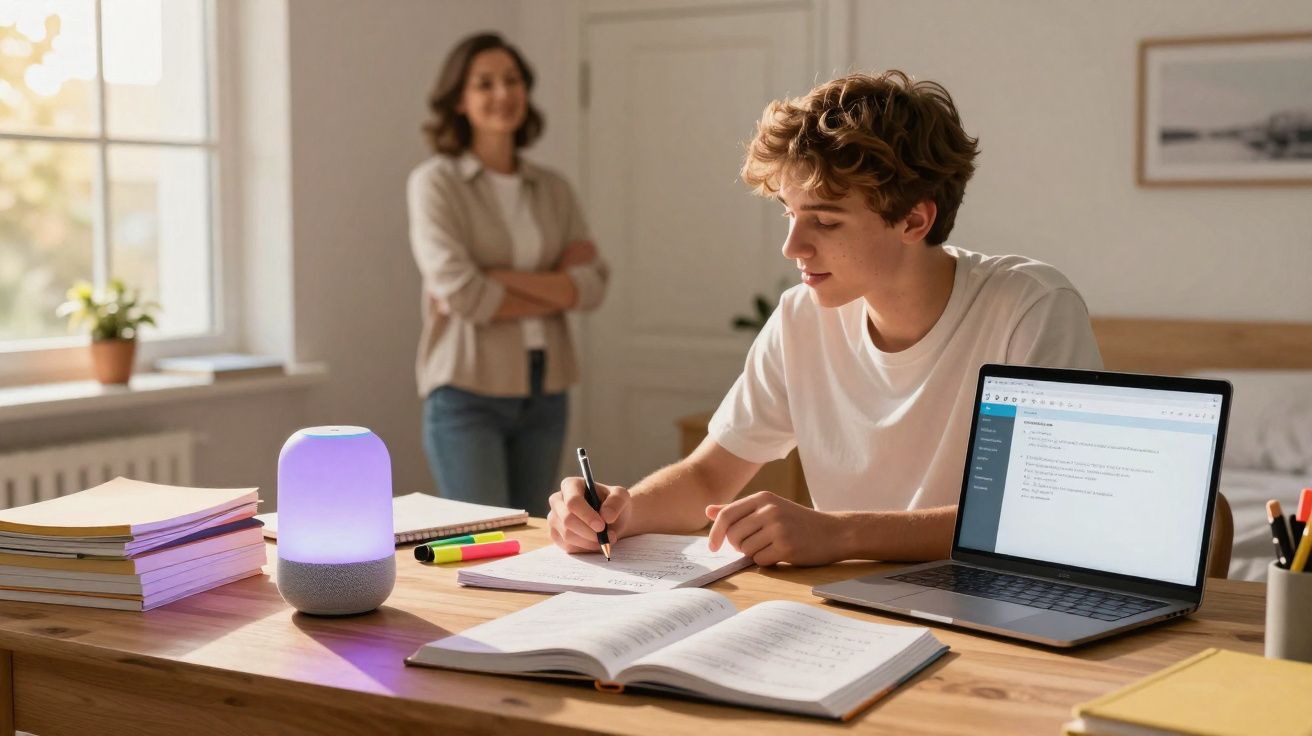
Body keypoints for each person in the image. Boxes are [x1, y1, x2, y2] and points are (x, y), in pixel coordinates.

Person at [547, 71, 1101, 565]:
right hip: (850, 602)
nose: (792, 246)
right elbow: (709, 475)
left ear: (914, 220)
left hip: (991, 598)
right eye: (789, 214)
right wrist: (619, 511)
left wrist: (841, 534)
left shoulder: (1029, 307)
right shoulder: (800, 318)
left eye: (826, 222)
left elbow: (1042, 512)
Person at [409, 32, 607, 517]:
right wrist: (555, 284)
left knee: (536, 538)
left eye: (512, 80)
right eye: (485, 83)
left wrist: (495, 276)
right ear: (459, 99)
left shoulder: (553, 188)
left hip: (547, 388)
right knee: (483, 535)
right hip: (466, 390)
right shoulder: (436, 183)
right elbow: (464, 295)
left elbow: (592, 286)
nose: (503, 93)